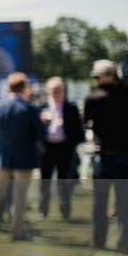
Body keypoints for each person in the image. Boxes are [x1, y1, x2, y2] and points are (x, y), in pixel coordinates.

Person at [0, 72, 45, 241]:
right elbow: (40, 134)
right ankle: (17, 231)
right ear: (24, 88)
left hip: (1, 158)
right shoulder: (29, 109)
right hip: (24, 159)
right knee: (19, 196)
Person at [83, 59, 128, 253]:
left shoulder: (93, 99)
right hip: (126, 155)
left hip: (104, 156)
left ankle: (99, 240)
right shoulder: (127, 94)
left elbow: (86, 122)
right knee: (124, 201)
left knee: (99, 202)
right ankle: (124, 242)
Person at [38, 77, 84, 221]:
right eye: (52, 91)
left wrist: (71, 145)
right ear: (48, 92)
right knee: (44, 182)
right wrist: (42, 123)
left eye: (58, 91)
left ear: (63, 91)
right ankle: (43, 210)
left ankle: (65, 211)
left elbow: (78, 131)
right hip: (46, 150)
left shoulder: (71, 107)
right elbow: (34, 131)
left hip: (65, 149)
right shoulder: (41, 107)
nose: (55, 94)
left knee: (64, 182)